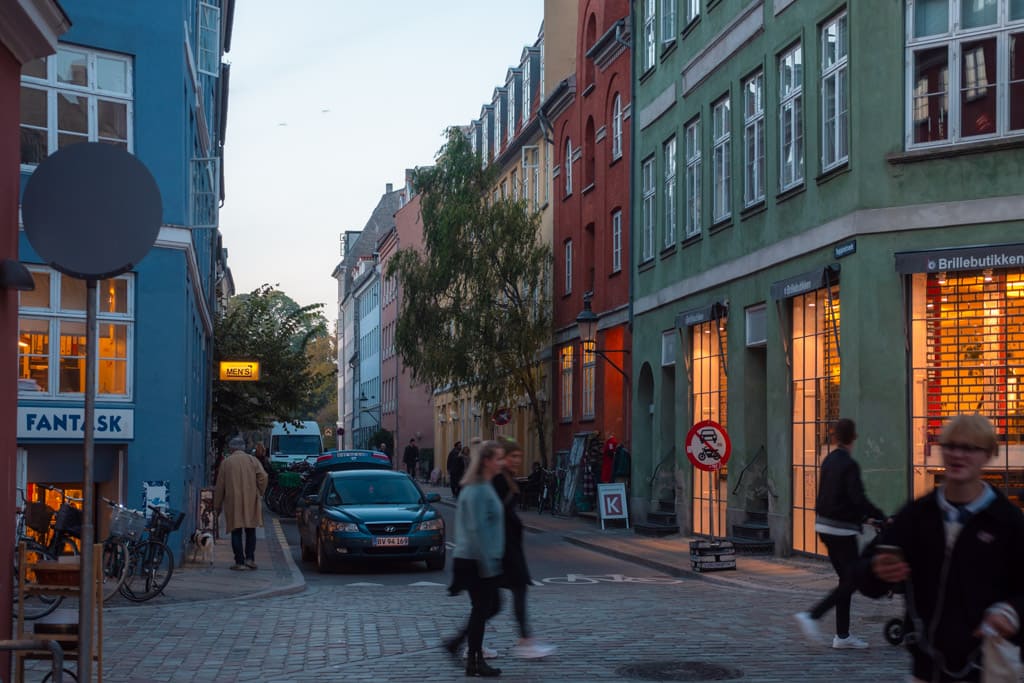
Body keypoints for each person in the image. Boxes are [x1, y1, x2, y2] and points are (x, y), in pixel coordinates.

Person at [860, 414, 1024, 683]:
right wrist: (876, 571)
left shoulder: (1006, 521)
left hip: (987, 668)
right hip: (927, 668)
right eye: (950, 446)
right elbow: (866, 575)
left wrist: (1012, 612)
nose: (958, 455)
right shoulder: (917, 515)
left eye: (969, 448)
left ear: (987, 455)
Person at [794, 418, 885, 649]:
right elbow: (857, 497)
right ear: (853, 437)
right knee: (853, 578)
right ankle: (814, 615)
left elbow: (835, 496)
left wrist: (865, 518)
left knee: (846, 580)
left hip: (824, 526)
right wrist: (878, 516)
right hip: (840, 530)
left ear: (835, 437)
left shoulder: (828, 460)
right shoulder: (848, 464)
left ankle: (842, 636)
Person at [444, 439, 506, 677]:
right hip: (477, 559)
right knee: (485, 608)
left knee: (483, 608)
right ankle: (472, 658)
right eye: (498, 458)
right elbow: (477, 529)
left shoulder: (477, 486)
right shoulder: (479, 489)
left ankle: (469, 655)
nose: (500, 463)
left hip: (471, 558)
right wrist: (489, 564)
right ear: (487, 461)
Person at [493, 439, 556, 659]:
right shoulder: (499, 480)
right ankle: (525, 641)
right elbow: (494, 514)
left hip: (510, 546)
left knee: (492, 600)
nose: (518, 461)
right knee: (494, 599)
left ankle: (523, 640)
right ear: (504, 458)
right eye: (514, 457)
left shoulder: (507, 479)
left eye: (520, 457)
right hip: (504, 548)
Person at [214, 434, 269, 571]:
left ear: (231, 449)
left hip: (233, 501)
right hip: (251, 499)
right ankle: (250, 558)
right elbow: (263, 477)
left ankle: (239, 561)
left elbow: (220, 487)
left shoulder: (226, 463)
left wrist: (217, 506)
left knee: (236, 530)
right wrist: (259, 492)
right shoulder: (252, 460)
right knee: (251, 530)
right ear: (243, 449)